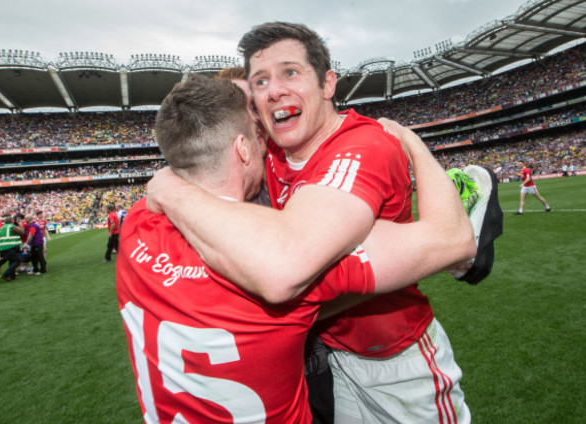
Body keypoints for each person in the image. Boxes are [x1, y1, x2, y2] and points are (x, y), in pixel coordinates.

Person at [146, 22, 501, 423]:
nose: (274, 89)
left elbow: (287, 267)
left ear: (328, 84)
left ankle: (463, 194)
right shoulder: (274, 153)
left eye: (290, 72)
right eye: (261, 80)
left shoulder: (361, 146)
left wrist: (168, 190)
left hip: (396, 360)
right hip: (335, 358)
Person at [0, 214, 25, 282]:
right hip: (9, 247)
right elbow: (22, 232)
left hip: (2, 247)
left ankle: (12, 276)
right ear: (12, 221)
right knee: (18, 260)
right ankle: (6, 274)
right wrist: (21, 226)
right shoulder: (12, 227)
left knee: (11, 261)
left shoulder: (2, 228)